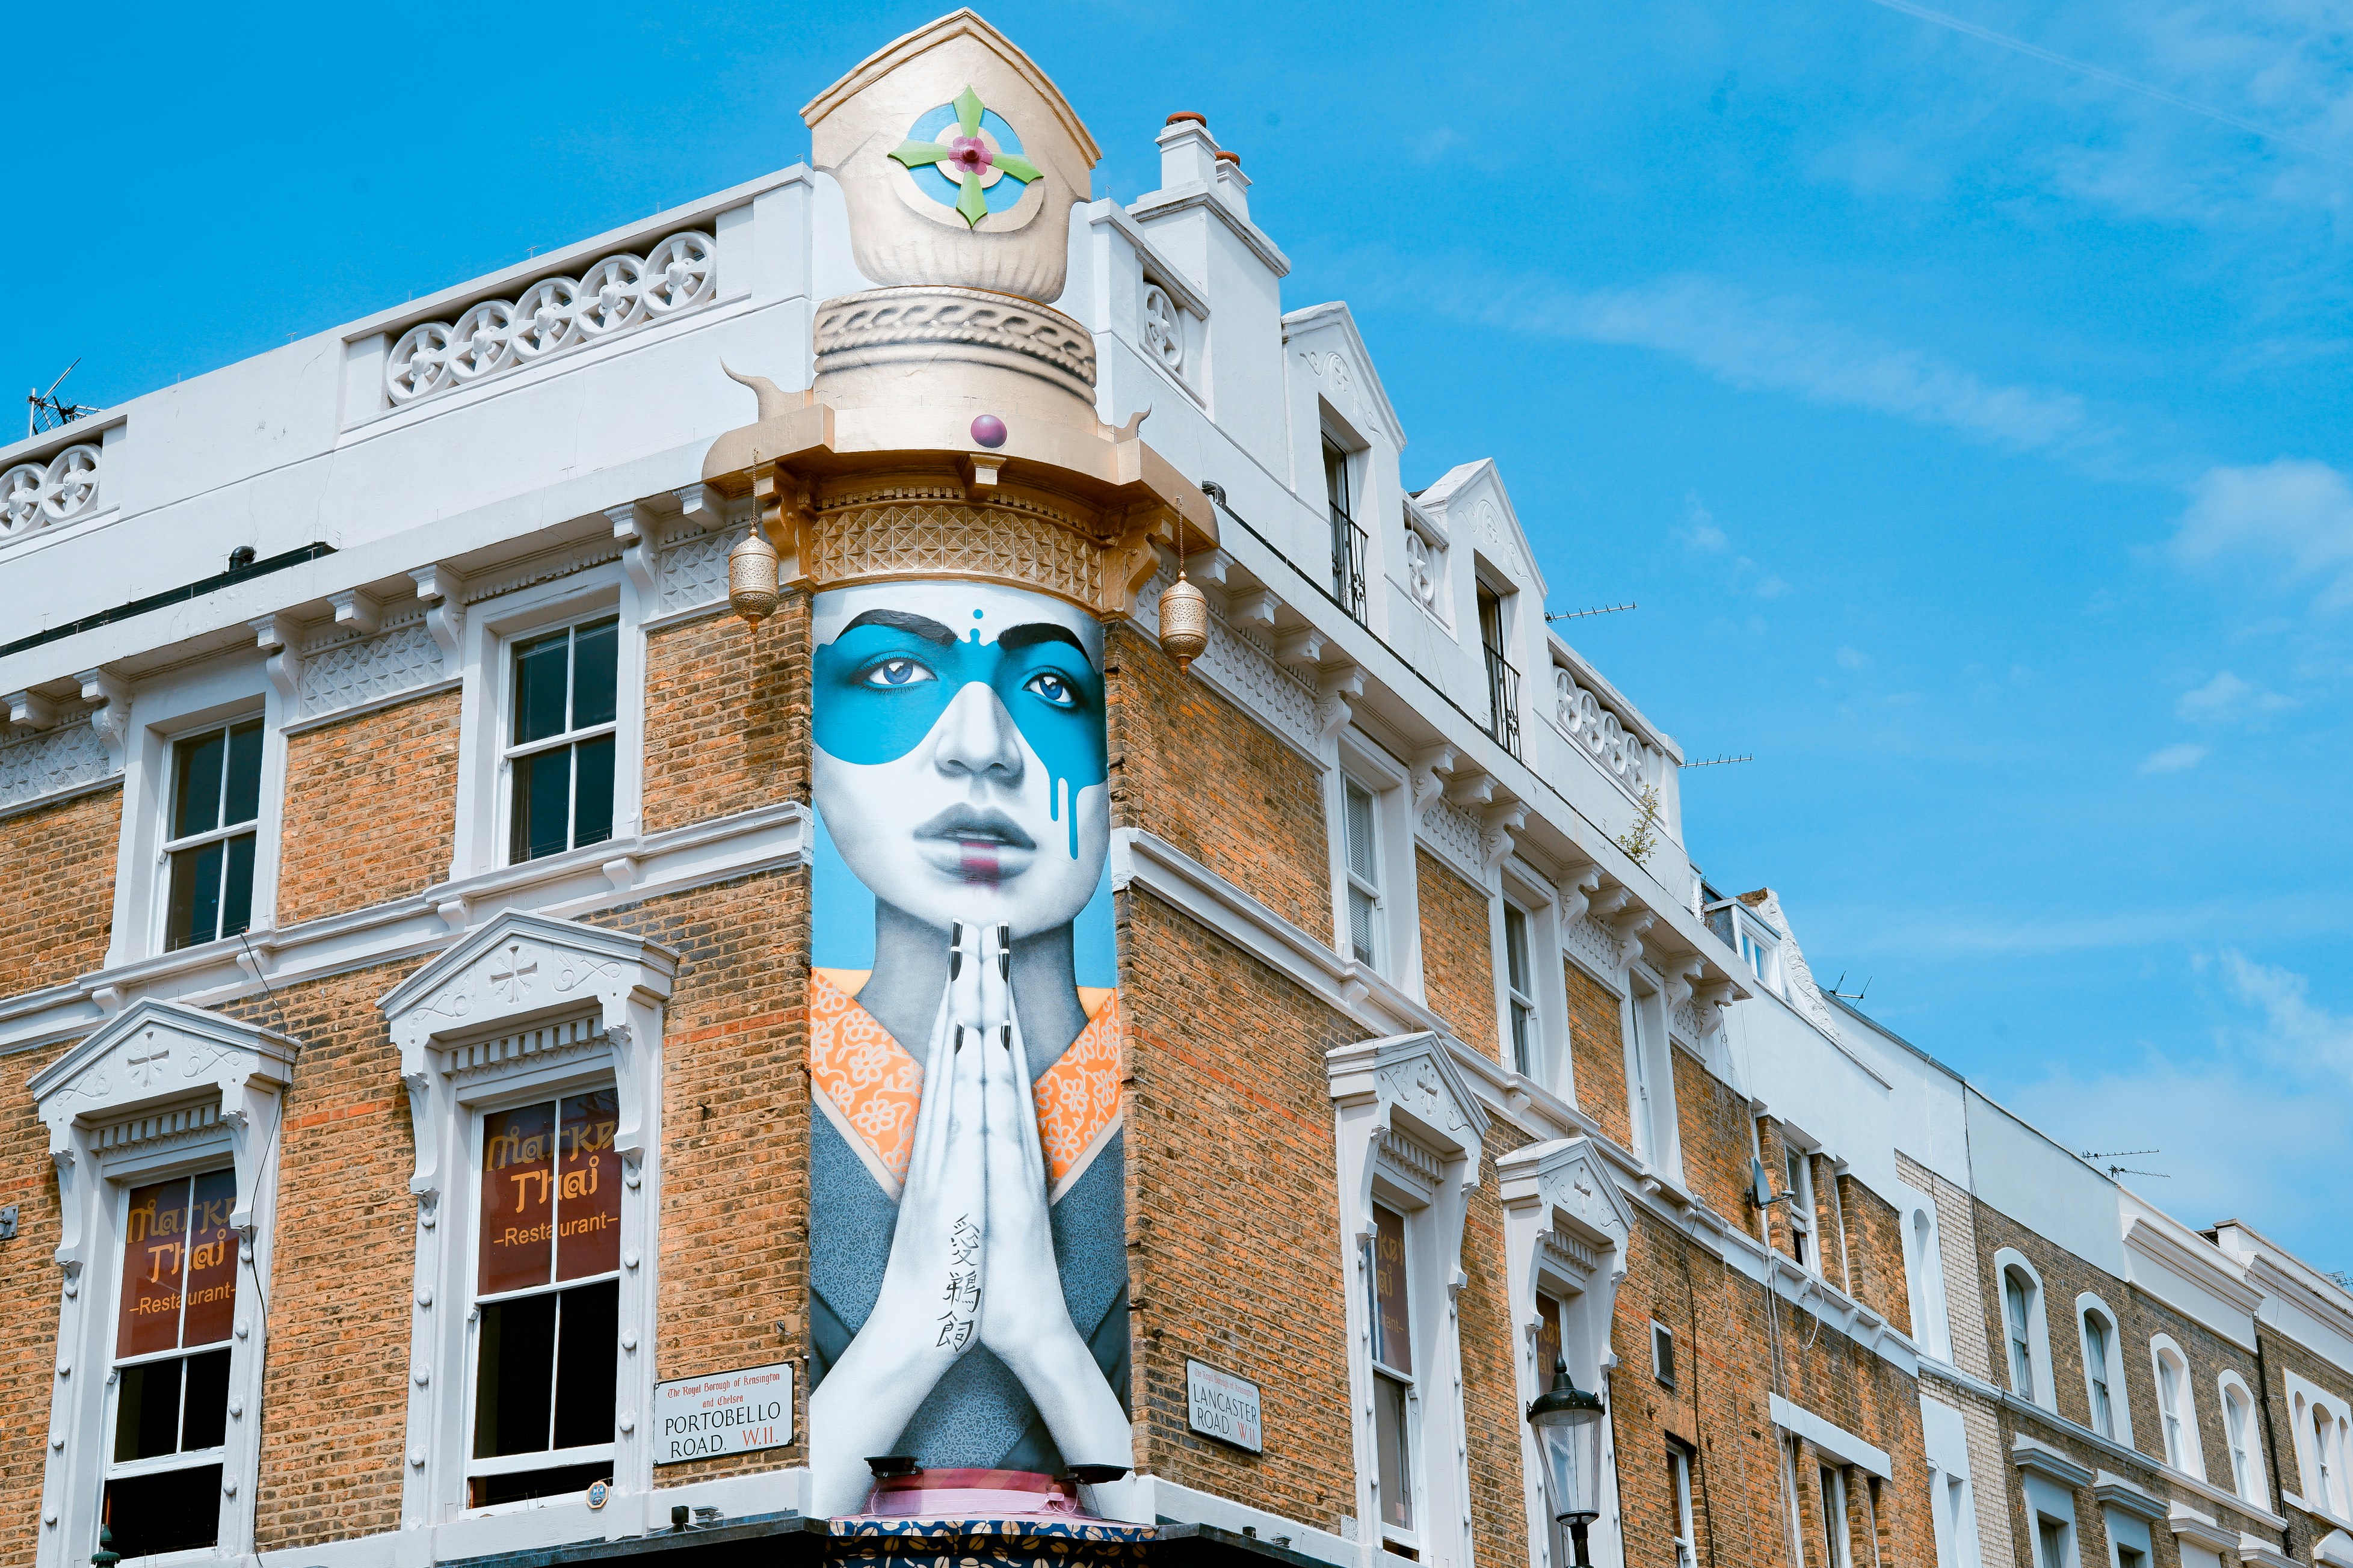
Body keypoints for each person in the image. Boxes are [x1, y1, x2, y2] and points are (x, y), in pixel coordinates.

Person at [804, 580, 1130, 1519]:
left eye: (1054, 690)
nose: (981, 746)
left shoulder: (1177, 1103)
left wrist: (1046, 1343)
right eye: (897, 670)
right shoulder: (749, 1086)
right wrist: (916, 1333)